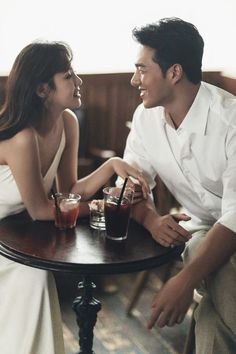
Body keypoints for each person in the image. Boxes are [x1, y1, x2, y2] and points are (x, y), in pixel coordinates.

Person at [0, 41, 149, 354]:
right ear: (43, 90)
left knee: (35, 278)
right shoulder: (23, 137)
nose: (79, 81)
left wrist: (110, 166)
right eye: (69, 75)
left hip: (13, 232)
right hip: (7, 235)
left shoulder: (67, 121)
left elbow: (69, 190)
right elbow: (42, 210)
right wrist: (103, 207)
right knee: (33, 279)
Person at [121, 17, 236, 353]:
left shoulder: (230, 122)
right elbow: (131, 183)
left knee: (212, 313)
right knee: (209, 261)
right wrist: (150, 218)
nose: (133, 80)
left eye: (142, 70)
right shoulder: (145, 118)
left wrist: (184, 281)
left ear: (174, 72)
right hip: (200, 229)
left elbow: (234, 216)